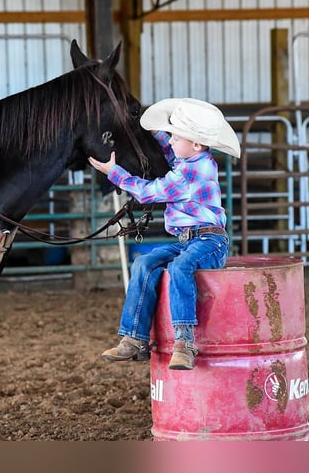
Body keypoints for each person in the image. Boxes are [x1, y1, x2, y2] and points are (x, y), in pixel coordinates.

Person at [89, 97, 240, 370]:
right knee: (144, 263)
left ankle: (185, 341)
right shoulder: (193, 161)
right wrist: (155, 131)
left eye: (175, 137)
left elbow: (148, 192)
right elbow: (173, 155)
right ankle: (134, 338)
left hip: (210, 241)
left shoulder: (189, 175)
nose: (171, 141)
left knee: (181, 266)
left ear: (195, 144)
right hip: (189, 241)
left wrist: (114, 172)